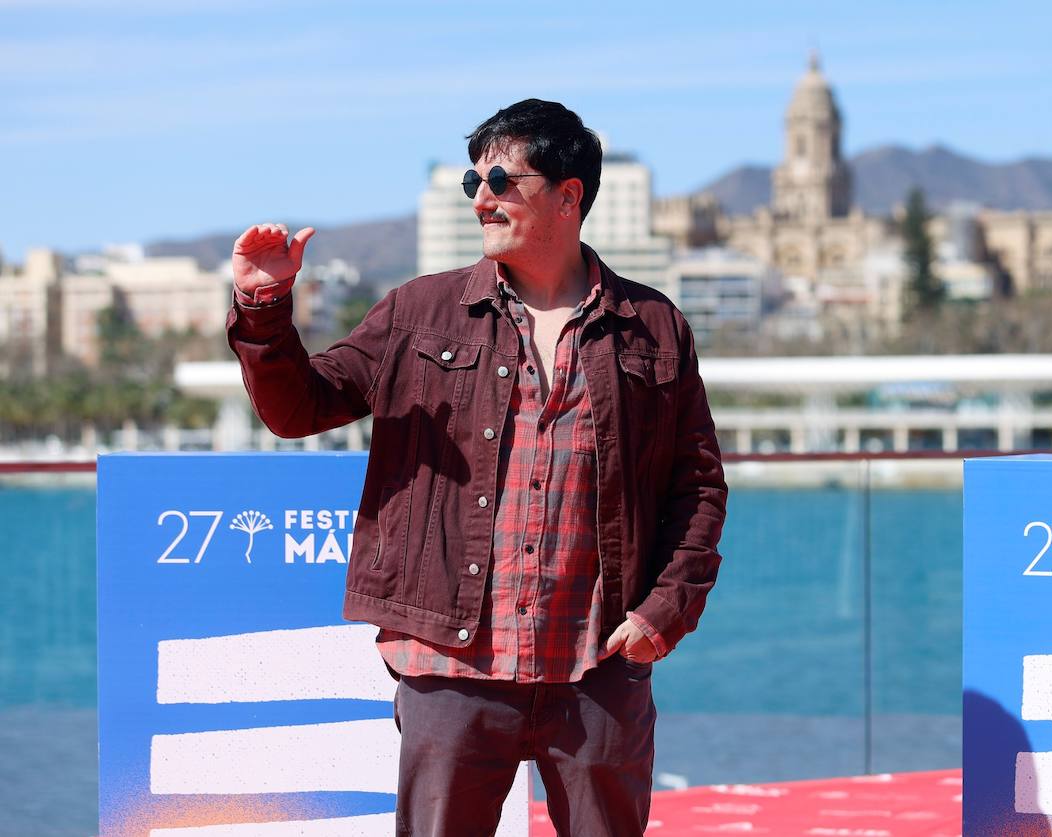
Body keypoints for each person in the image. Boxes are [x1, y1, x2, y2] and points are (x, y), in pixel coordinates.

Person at [226, 98, 728, 837]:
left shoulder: (652, 326)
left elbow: (698, 486)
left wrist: (665, 611)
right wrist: (264, 303)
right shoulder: (417, 312)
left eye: (501, 179)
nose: (482, 198)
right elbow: (298, 407)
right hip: (450, 672)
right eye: (472, 183)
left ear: (568, 195)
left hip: (598, 669)